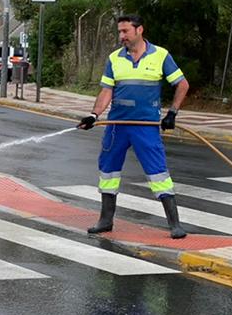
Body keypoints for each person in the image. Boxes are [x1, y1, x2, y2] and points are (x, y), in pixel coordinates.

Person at [76, 13, 190, 238]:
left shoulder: (160, 55)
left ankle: (175, 224)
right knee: (108, 171)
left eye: (125, 31)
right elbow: (106, 90)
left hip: (145, 125)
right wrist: (94, 114)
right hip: (118, 125)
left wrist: (172, 113)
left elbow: (182, 84)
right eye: (119, 31)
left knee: (158, 172)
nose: (122, 36)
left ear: (139, 30)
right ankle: (105, 220)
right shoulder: (114, 58)